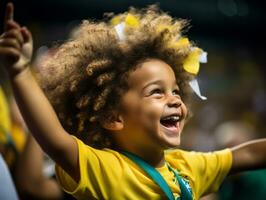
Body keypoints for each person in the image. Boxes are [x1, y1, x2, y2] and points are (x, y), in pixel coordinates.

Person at [0, 2, 266, 200]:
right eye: (156, 92)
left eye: (175, 91)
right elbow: (55, 141)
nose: (174, 100)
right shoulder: (105, 170)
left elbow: (248, 153)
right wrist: (21, 71)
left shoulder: (187, 167)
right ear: (113, 117)